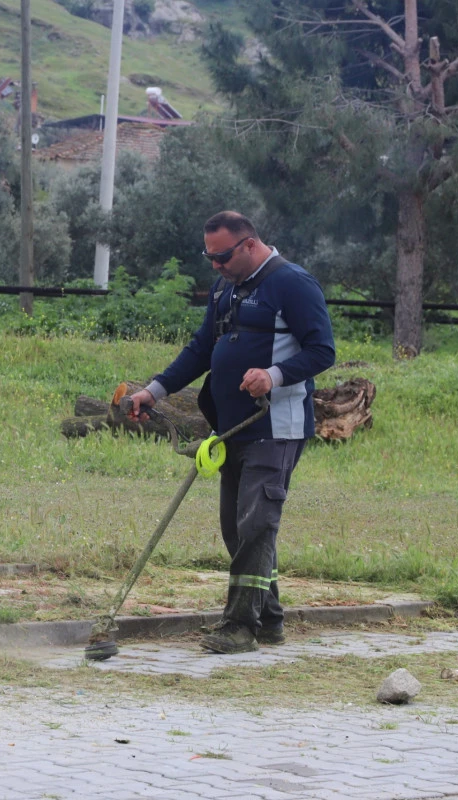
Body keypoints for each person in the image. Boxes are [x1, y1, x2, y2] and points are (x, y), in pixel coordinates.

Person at [125, 211, 335, 654]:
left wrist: (275, 376)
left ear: (249, 244)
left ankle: (239, 627)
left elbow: (322, 350)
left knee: (256, 526)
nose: (215, 266)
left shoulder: (293, 283)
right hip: (230, 430)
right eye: (209, 258)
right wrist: (155, 390)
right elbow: (201, 348)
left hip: (275, 428)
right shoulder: (226, 287)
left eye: (221, 257)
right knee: (237, 531)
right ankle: (271, 621)